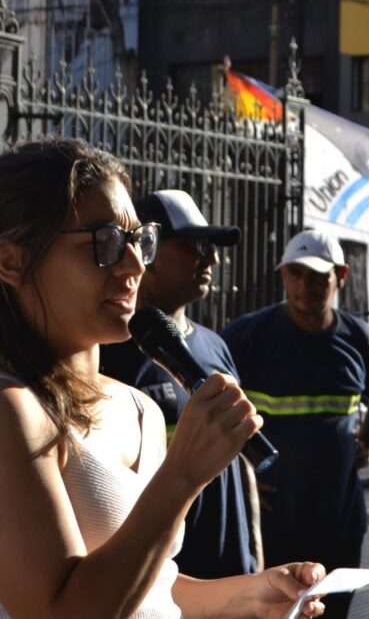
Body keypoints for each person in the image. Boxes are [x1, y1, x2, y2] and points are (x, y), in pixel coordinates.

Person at [0, 139, 327, 618]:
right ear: (12, 262)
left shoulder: (140, 410)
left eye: (139, 240)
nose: (134, 265)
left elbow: (152, 590)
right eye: (106, 242)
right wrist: (182, 475)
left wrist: (251, 596)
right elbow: (66, 611)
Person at [223, 227, 369, 619]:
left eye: (318, 276)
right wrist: (238, 469)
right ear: (283, 275)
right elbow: (208, 405)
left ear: (341, 276)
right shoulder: (247, 337)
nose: (306, 287)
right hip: (272, 522)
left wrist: (368, 444)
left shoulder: (360, 341)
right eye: (296, 274)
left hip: (338, 520)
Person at [100, 189, 262, 579]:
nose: (212, 259)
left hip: (233, 578)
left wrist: (255, 554)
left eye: (212, 247)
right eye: (195, 246)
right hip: (165, 583)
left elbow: (241, 464)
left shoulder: (215, 345)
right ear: (147, 252)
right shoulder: (108, 358)